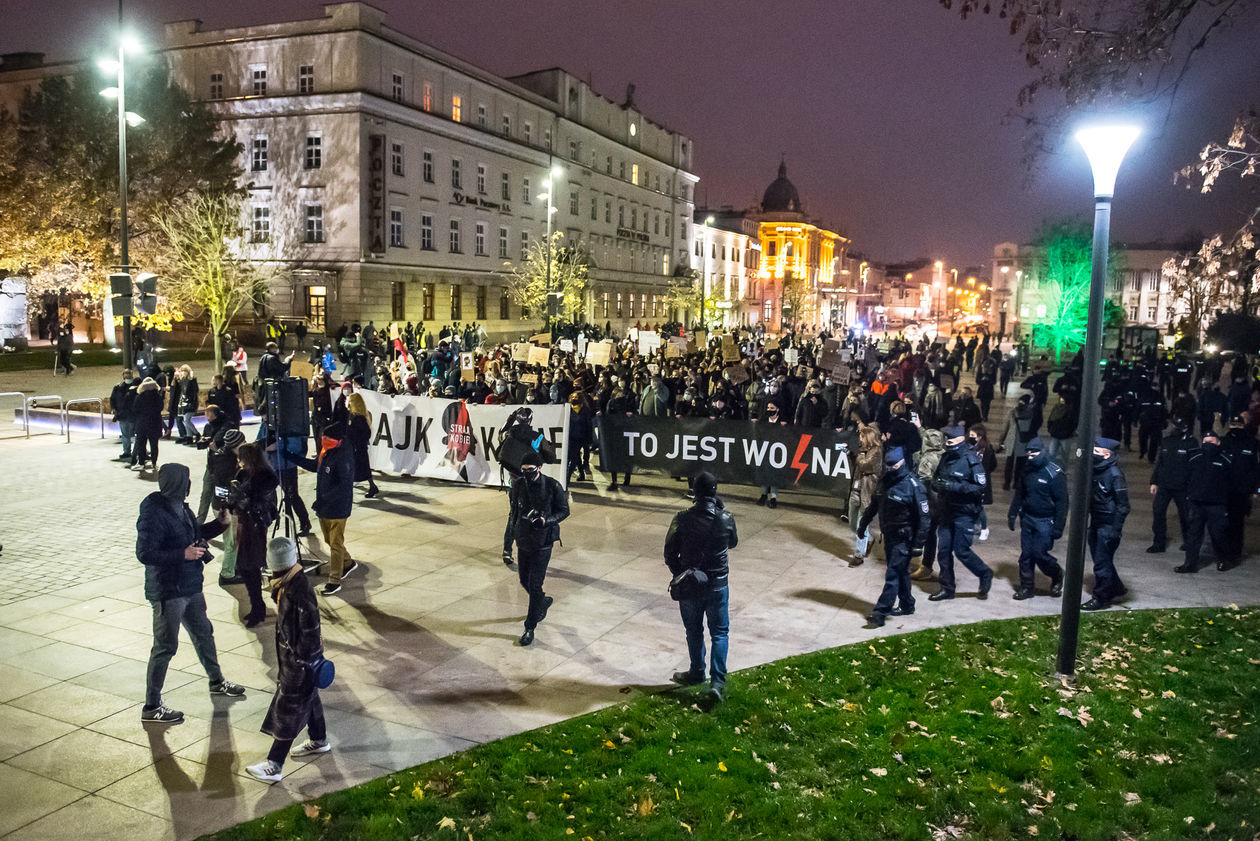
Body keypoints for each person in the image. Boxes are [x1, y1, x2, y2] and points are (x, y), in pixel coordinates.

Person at [136, 463, 246, 723]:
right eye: (186, 480)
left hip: (190, 585)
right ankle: (152, 706)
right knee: (165, 647)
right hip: (168, 590)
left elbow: (195, 533)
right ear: (177, 483)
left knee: (204, 634)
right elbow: (145, 553)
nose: (190, 485)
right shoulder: (153, 512)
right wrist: (182, 554)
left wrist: (220, 524)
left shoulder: (181, 507)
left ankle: (217, 681)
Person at [245, 537, 331, 783]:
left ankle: (274, 764)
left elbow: (311, 631)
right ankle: (319, 740)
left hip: (299, 665)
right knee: (309, 698)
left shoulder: (298, 590)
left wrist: (305, 662)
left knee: (288, 711)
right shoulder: (287, 583)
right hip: (297, 663)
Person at [664, 471, 738, 701]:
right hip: (717, 585)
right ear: (715, 492)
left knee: (694, 631)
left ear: (694, 492)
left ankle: (697, 672)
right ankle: (717, 682)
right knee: (719, 633)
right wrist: (721, 511)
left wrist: (684, 573)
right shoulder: (725, 518)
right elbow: (733, 542)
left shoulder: (681, 518)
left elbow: (669, 554)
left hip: (691, 586)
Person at [857, 447, 929, 628]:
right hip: (888, 535)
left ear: (901, 463)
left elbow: (924, 518)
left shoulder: (913, 485)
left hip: (904, 538)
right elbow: (873, 505)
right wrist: (863, 525)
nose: (889, 469)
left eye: (892, 465)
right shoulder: (884, 481)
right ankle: (907, 604)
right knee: (900, 571)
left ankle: (881, 613)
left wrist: (918, 545)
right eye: (887, 466)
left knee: (893, 574)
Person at [506, 451, 570, 646]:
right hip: (524, 540)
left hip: (543, 542)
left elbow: (564, 510)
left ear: (540, 469)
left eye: (530, 470)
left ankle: (530, 627)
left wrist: (546, 520)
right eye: (523, 470)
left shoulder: (552, 486)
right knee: (524, 580)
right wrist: (509, 540)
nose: (525, 474)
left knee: (534, 584)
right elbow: (513, 513)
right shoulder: (517, 486)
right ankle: (541, 601)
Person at [929, 424, 993, 601]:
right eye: (946, 440)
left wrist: (956, 486)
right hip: (946, 510)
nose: (948, 443)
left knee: (961, 550)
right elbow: (935, 479)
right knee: (943, 551)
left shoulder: (971, 459)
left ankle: (984, 573)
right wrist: (937, 485)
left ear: (961, 440)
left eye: (951, 440)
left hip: (964, 512)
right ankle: (947, 588)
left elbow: (980, 487)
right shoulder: (945, 458)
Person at [293, 421, 358, 595]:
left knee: (335, 543)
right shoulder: (326, 452)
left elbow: (343, 485)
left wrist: (324, 500)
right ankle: (348, 562)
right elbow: (316, 467)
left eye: (326, 437)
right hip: (324, 506)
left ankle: (334, 580)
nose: (322, 439)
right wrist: (293, 458)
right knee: (330, 540)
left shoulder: (343, 456)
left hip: (338, 507)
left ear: (334, 439)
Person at [226, 443, 280, 627]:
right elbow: (237, 498)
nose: (238, 461)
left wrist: (242, 499)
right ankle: (257, 605)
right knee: (244, 565)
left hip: (256, 526)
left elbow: (259, 502)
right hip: (244, 523)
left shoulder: (266, 477)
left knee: (252, 565)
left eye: (241, 457)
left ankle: (258, 608)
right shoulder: (242, 474)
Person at [1006, 438, 1066, 599]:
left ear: (1042, 451)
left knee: (1039, 554)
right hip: (1028, 518)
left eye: (1034, 454)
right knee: (1026, 555)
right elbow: (1020, 493)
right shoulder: (1027, 470)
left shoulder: (1054, 474)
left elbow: (1062, 502)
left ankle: (1057, 574)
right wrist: (1012, 513)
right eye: (1029, 454)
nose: (1030, 457)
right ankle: (1027, 587)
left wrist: (1059, 526)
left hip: (1045, 521)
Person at [1176, 431, 1235, 573]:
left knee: (1218, 534)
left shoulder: (1225, 459)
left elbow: (1232, 481)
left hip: (1217, 504)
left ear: (1218, 442)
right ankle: (1190, 564)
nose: (1208, 444)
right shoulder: (1195, 457)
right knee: (1193, 535)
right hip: (1197, 503)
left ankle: (1222, 560)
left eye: (1211, 441)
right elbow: (1186, 476)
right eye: (1206, 441)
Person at [1083, 437, 1129, 611]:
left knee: (1102, 563)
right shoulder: (1097, 470)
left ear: (1107, 454)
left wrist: (1115, 530)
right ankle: (1116, 588)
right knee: (1102, 560)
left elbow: (1124, 506)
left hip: (1108, 526)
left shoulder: (1114, 474)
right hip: (1097, 522)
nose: (1093, 454)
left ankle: (1101, 598)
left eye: (1097, 451)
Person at [1147, 420, 1194, 554]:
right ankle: (1158, 543)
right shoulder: (1166, 441)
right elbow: (1159, 462)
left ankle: (1188, 541)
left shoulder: (1191, 443)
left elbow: (1194, 466)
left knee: (1185, 516)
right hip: (1164, 485)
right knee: (1158, 512)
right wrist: (1154, 482)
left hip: (1183, 486)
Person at [847, 424, 882, 566]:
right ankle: (867, 540)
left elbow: (865, 466)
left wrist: (860, 455)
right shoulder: (863, 451)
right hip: (856, 489)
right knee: (852, 522)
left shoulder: (877, 451)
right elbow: (857, 466)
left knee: (861, 523)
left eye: (862, 437)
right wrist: (850, 454)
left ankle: (859, 555)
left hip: (867, 492)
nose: (859, 439)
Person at [346, 393, 380, 498]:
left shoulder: (358, 418)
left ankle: (348, 491)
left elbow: (365, 433)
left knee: (356, 469)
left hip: (357, 447)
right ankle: (372, 486)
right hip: (358, 447)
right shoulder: (357, 416)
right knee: (362, 469)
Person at [131, 376, 165, 472]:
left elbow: (135, 409)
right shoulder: (158, 397)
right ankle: (154, 463)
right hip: (155, 424)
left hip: (142, 424)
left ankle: (141, 463)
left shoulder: (139, 397)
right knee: (154, 445)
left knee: (142, 444)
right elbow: (161, 408)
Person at [110, 369, 138, 463]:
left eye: (129, 374)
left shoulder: (135, 387)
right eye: (126, 375)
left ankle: (136, 451)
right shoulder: (118, 387)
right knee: (125, 434)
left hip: (132, 414)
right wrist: (114, 409)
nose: (127, 376)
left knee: (133, 434)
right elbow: (113, 399)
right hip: (123, 415)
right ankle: (127, 451)